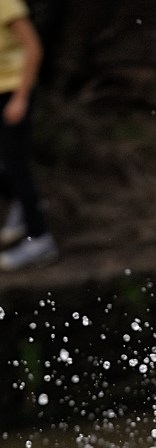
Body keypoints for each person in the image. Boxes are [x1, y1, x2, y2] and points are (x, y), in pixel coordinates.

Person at [0, 0, 57, 270]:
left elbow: (33, 48)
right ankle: (20, 204)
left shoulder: (6, 4)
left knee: (16, 164)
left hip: (14, 90)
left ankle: (40, 239)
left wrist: (21, 98)